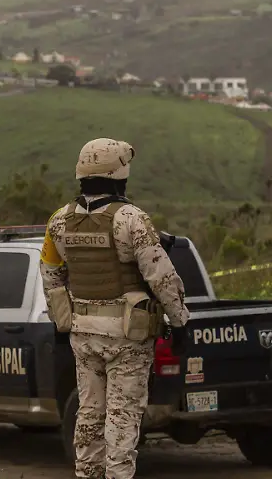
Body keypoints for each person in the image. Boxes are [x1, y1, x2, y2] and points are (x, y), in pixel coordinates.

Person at [40, 138, 191, 479]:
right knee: (122, 417)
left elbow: (51, 278)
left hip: (83, 333)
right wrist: (180, 322)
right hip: (127, 336)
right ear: (120, 175)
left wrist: (63, 323)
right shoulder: (131, 219)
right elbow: (161, 276)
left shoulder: (59, 221)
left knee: (89, 412)